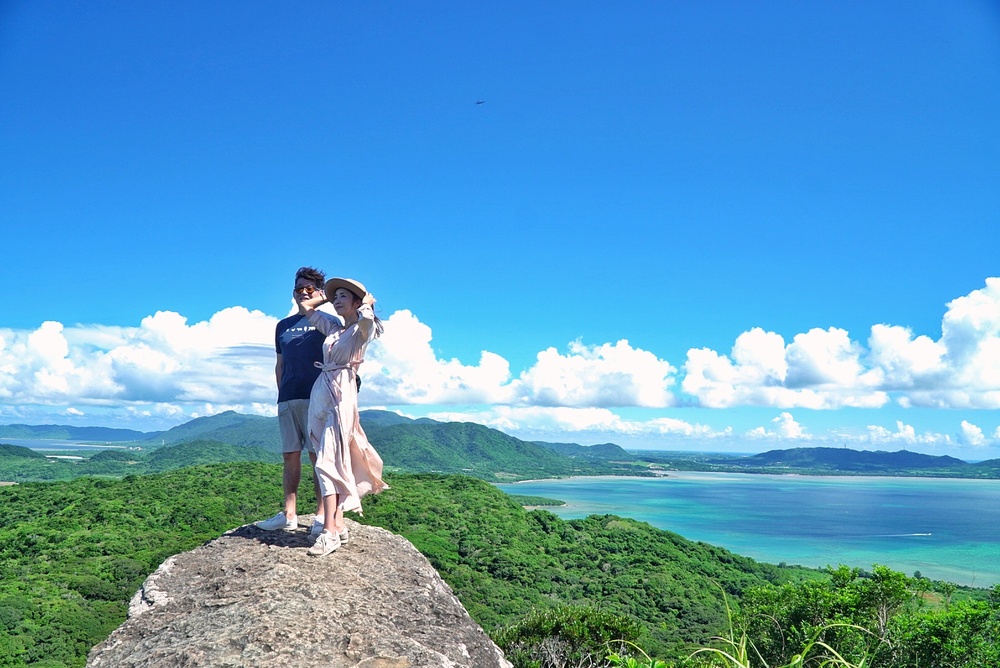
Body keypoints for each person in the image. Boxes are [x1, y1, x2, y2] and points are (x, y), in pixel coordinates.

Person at [299, 277, 388, 556]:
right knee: (329, 455)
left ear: (357, 302)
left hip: (342, 395)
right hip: (321, 393)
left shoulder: (361, 330)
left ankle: (329, 532)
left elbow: (367, 322)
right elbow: (306, 307)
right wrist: (328, 296)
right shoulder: (334, 328)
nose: (337, 300)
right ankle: (338, 524)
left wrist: (366, 304)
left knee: (328, 459)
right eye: (335, 296)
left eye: (343, 296)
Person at [255, 267, 329, 533]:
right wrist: (281, 394)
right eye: (299, 288)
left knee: (318, 456)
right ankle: (289, 514)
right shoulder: (282, 326)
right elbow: (280, 364)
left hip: (317, 397)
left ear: (320, 292)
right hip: (288, 397)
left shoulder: (326, 322)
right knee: (289, 454)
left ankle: (322, 515)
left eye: (310, 288)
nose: (304, 293)